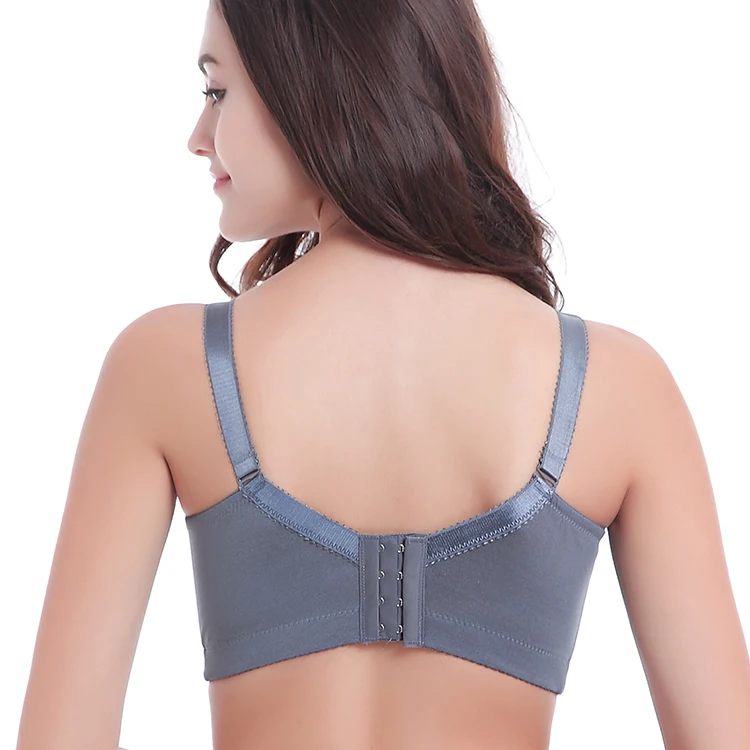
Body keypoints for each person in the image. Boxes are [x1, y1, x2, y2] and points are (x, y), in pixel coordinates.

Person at [15, 0, 750, 748]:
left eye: (216, 91)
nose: (197, 137)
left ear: (316, 84)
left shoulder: (166, 367)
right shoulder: (619, 388)